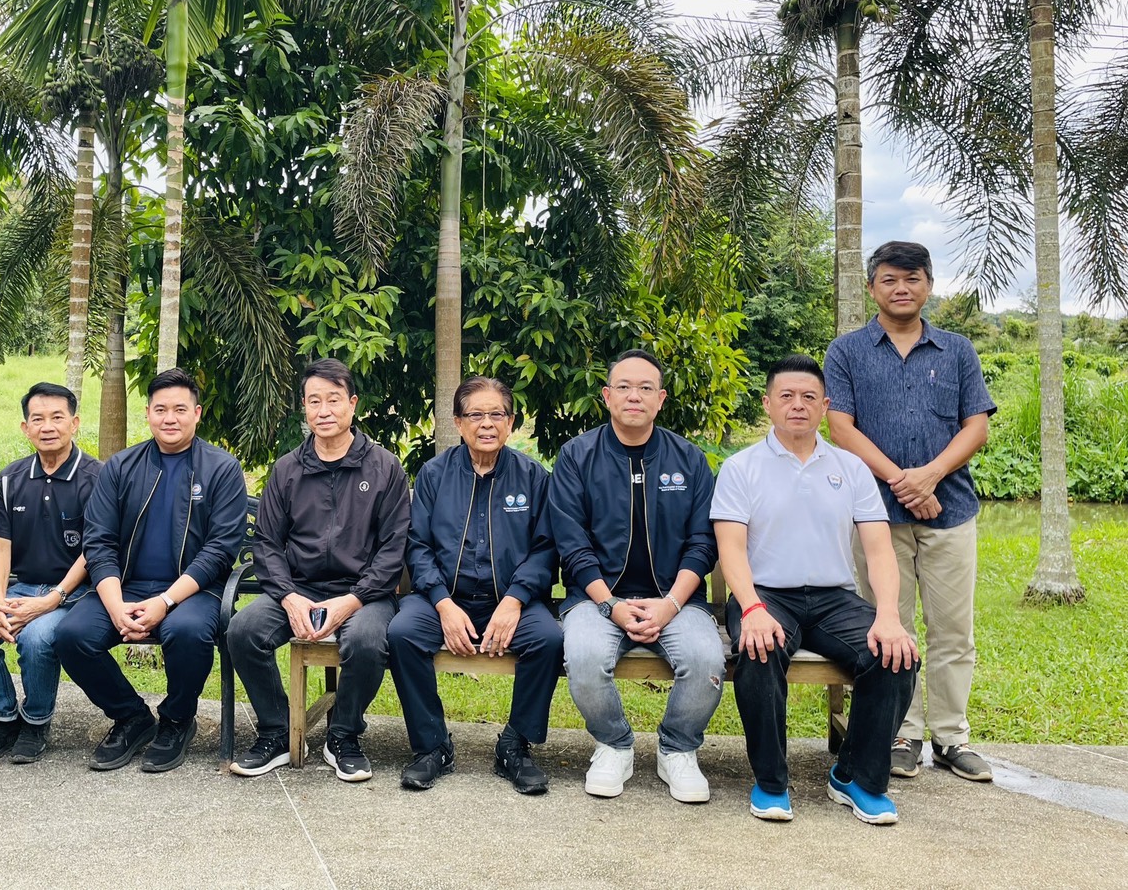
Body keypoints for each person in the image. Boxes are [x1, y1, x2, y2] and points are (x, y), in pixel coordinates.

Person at [713, 355, 918, 825]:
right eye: (786, 396)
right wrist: (752, 609)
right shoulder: (741, 467)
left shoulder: (851, 468)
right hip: (765, 594)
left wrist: (888, 615)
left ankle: (856, 777)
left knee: (896, 654)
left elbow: (880, 551)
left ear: (825, 406)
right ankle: (771, 782)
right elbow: (731, 550)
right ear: (767, 404)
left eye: (809, 397)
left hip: (833, 598)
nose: (798, 405)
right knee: (759, 649)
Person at [825, 241, 996, 783]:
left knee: (953, 630)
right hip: (876, 515)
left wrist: (930, 476)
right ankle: (901, 733)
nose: (902, 288)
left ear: (928, 285)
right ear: (872, 287)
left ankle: (951, 736)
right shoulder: (847, 352)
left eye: (913, 278)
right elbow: (841, 428)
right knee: (888, 626)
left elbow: (976, 426)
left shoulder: (958, 351)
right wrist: (904, 481)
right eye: (890, 279)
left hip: (951, 509)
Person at [548, 349, 726, 802]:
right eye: (623, 387)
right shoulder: (577, 456)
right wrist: (610, 604)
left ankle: (677, 748)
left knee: (705, 660)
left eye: (646, 388)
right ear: (606, 396)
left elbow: (703, 543)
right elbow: (572, 543)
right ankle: (614, 744)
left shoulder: (689, 459)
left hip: (676, 599)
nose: (634, 396)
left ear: (660, 399)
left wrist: (671, 604)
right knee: (584, 658)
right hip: (596, 598)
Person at [51, 368, 247, 773]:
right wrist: (115, 606)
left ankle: (177, 720)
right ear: (148, 413)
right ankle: (131, 717)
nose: (169, 418)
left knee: (187, 632)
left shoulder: (221, 468)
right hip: (125, 585)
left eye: (180, 409)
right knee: (72, 634)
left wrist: (165, 601)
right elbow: (98, 541)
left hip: (194, 590)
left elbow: (220, 550)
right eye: (160, 409)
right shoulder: (120, 466)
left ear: (197, 413)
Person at [227, 358, 410, 782]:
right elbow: (266, 543)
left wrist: (351, 601)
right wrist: (289, 597)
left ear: (352, 404)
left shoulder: (384, 468)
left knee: (366, 641)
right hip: (299, 587)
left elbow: (393, 549)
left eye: (333, 400)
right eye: (314, 401)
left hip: (364, 592)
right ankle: (276, 731)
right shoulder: (287, 469)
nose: (324, 410)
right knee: (243, 630)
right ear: (304, 408)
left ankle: (343, 735)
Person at [387, 376, 562, 794]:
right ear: (458, 422)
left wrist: (516, 600)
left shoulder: (533, 477)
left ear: (511, 422)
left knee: (549, 639)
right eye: (476, 414)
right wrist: (442, 603)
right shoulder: (434, 475)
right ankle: (433, 746)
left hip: (511, 602)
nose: (487, 423)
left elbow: (546, 549)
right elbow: (418, 546)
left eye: (497, 414)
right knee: (403, 633)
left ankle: (515, 746)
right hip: (444, 600)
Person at [0, 382, 100, 766]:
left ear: (74, 423)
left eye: (57, 417)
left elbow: (94, 550)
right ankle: (2, 718)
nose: (47, 426)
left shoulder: (97, 477)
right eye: (38, 419)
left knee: (37, 638)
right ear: (25, 427)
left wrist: (52, 600)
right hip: (21, 586)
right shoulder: (11, 477)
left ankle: (36, 721)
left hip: (75, 592)